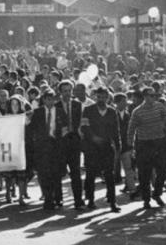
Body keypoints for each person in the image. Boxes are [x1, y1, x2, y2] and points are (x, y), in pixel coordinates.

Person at [127, 87, 166, 210]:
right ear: (145, 97)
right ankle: (146, 199)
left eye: (154, 95)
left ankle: (157, 193)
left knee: (163, 170)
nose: (153, 98)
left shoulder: (159, 107)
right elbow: (131, 129)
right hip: (144, 144)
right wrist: (130, 146)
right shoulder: (137, 112)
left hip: (160, 142)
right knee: (144, 174)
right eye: (150, 95)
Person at [81, 87, 122, 212]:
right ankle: (91, 200)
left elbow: (116, 130)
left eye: (104, 97)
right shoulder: (88, 110)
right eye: (99, 97)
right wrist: (93, 138)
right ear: (95, 97)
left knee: (110, 175)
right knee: (91, 174)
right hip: (92, 147)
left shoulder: (112, 111)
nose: (101, 100)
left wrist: (118, 145)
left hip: (107, 147)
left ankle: (113, 201)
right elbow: (84, 127)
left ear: (108, 98)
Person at [30, 89, 63, 210]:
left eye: (53, 99)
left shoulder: (59, 112)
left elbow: (63, 128)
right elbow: (33, 128)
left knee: (55, 173)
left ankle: (57, 197)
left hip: (56, 146)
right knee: (44, 174)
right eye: (48, 99)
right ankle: (48, 198)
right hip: (42, 147)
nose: (50, 101)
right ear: (43, 100)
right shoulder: (38, 112)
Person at [55, 80, 84, 210]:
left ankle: (78, 200)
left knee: (76, 172)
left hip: (74, 142)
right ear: (60, 92)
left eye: (69, 91)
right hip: (61, 143)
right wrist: (59, 131)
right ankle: (58, 199)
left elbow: (81, 122)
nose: (67, 93)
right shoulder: (56, 106)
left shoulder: (78, 104)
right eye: (64, 91)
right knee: (59, 172)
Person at [114, 93, 137, 197]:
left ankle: (132, 189)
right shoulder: (112, 113)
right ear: (117, 103)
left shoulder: (128, 114)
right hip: (114, 146)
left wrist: (131, 143)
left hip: (126, 145)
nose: (125, 104)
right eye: (123, 101)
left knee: (128, 167)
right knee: (112, 169)